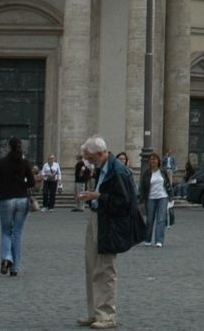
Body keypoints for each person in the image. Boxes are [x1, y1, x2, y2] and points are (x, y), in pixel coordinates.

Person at [77, 136, 143, 329]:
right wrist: (92, 198)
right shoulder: (102, 169)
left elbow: (124, 202)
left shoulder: (118, 171)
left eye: (89, 156)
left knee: (105, 269)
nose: (87, 160)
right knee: (92, 266)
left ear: (100, 154)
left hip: (110, 224)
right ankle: (94, 312)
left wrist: (98, 196)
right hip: (98, 218)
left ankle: (106, 315)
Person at [0, 136, 36, 273]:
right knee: (17, 232)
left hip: (6, 198)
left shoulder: (1, 163)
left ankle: (6, 257)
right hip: (22, 199)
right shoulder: (25, 163)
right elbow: (32, 182)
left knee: (6, 231)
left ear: (8, 147)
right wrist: (21, 184)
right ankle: (15, 267)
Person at [142, 152, 171, 248]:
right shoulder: (146, 173)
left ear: (158, 161)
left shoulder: (163, 172)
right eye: (151, 159)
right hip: (150, 198)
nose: (152, 161)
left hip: (163, 196)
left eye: (154, 159)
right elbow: (142, 187)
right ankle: (147, 239)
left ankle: (159, 240)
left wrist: (170, 197)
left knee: (161, 219)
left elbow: (168, 184)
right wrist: (141, 200)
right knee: (150, 219)